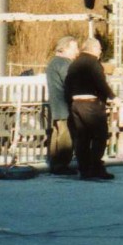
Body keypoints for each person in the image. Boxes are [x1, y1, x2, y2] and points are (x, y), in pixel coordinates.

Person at [64, 38, 115, 180]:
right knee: (100, 136)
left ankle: (84, 169)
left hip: (76, 104)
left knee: (82, 138)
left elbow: (67, 85)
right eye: (99, 49)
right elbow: (100, 82)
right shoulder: (93, 63)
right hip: (91, 104)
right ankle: (96, 167)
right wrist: (112, 97)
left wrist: (71, 102)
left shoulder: (74, 64)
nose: (100, 52)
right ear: (94, 49)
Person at [45, 36, 79, 175]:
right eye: (74, 47)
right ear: (64, 48)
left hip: (56, 105)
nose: (77, 51)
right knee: (66, 136)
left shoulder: (52, 62)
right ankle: (62, 165)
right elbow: (70, 82)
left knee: (57, 134)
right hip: (65, 105)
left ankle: (54, 163)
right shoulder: (64, 63)